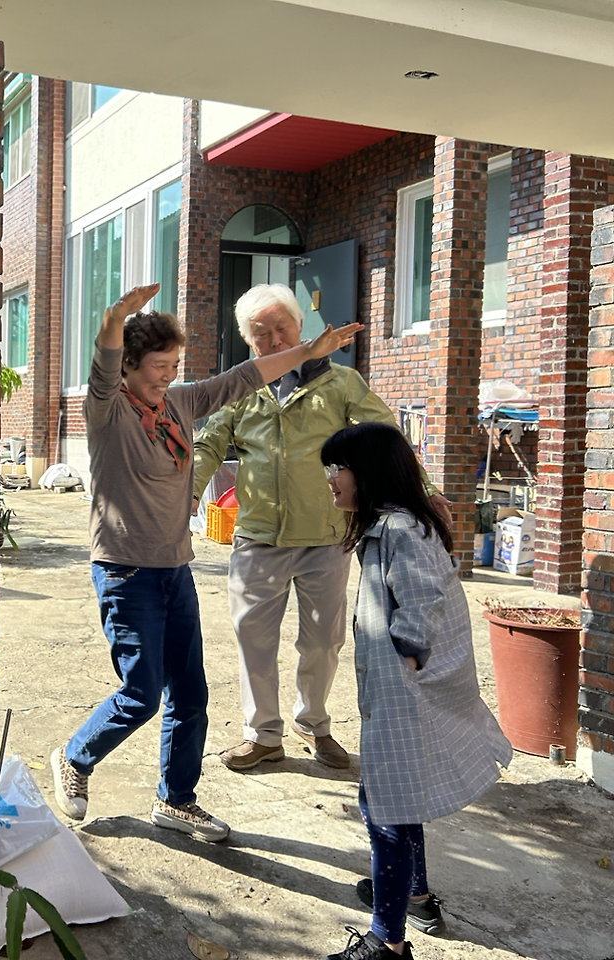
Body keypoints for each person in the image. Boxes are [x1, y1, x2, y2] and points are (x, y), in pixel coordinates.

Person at [50, 282, 362, 840]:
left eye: (173, 366)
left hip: (175, 569)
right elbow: (103, 364)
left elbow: (244, 377)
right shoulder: (108, 410)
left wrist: (309, 352)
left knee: (190, 694)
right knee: (141, 692)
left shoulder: (180, 404)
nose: (166, 376)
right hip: (125, 571)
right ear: (129, 366)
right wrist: (115, 318)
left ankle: (176, 799)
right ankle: (75, 756)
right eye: (156, 367)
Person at [192, 284, 450, 772]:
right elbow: (208, 445)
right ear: (248, 339)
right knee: (254, 641)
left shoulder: (341, 383)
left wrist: (423, 488)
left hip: (326, 536)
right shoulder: (238, 388)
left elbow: (385, 439)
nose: (274, 339)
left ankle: (312, 723)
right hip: (258, 536)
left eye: (282, 327)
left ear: (300, 325)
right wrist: (186, 494)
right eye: (261, 332)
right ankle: (262, 734)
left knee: (323, 641)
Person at [320, 422, 511, 960]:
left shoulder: (402, 529)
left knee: (385, 809)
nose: (330, 479)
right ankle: (415, 895)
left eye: (338, 468)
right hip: (395, 691)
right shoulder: (389, 525)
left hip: (405, 695)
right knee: (398, 800)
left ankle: (388, 941)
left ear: (370, 472)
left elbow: (422, 597)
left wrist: (407, 653)